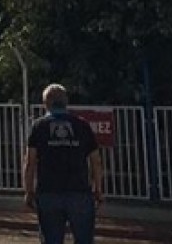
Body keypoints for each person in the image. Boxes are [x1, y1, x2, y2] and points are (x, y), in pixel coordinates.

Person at [23, 84, 103, 244]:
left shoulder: (39, 126)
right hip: (79, 192)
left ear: (46, 103)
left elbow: (30, 162)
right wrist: (98, 190)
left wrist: (29, 191)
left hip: (49, 192)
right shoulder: (82, 125)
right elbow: (96, 161)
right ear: (66, 101)